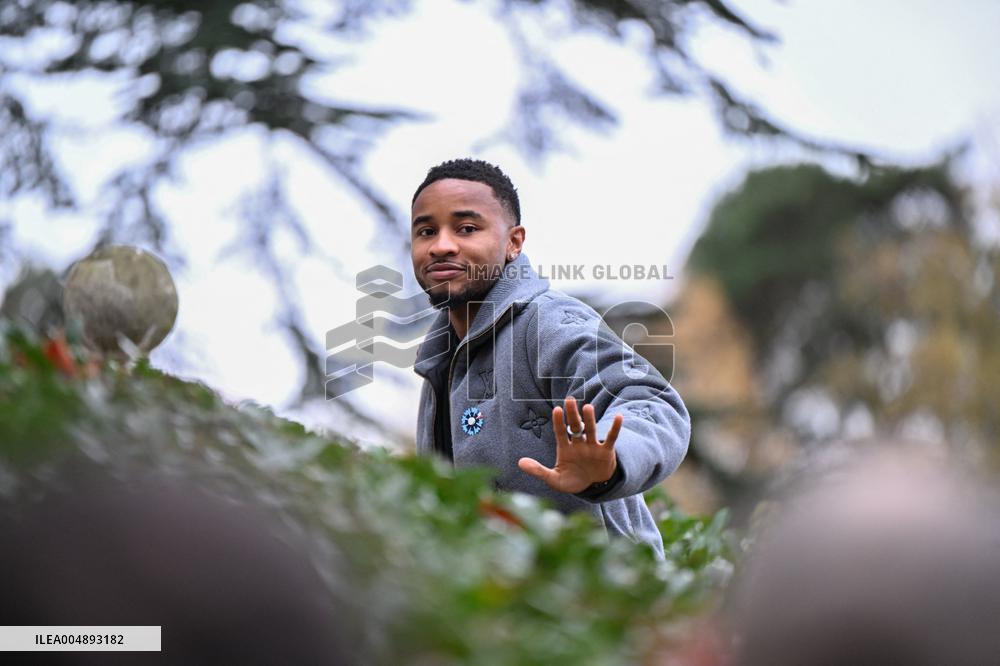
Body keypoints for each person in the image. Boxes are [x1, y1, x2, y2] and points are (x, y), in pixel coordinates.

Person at [410, 158, 690, 558]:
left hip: (602, 588)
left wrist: (609, 463)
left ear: (514, 242)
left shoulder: (547, 322)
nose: (441, 246)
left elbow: (653, 404)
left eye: (467, 228)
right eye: (426, 231)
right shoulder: (440, 361)